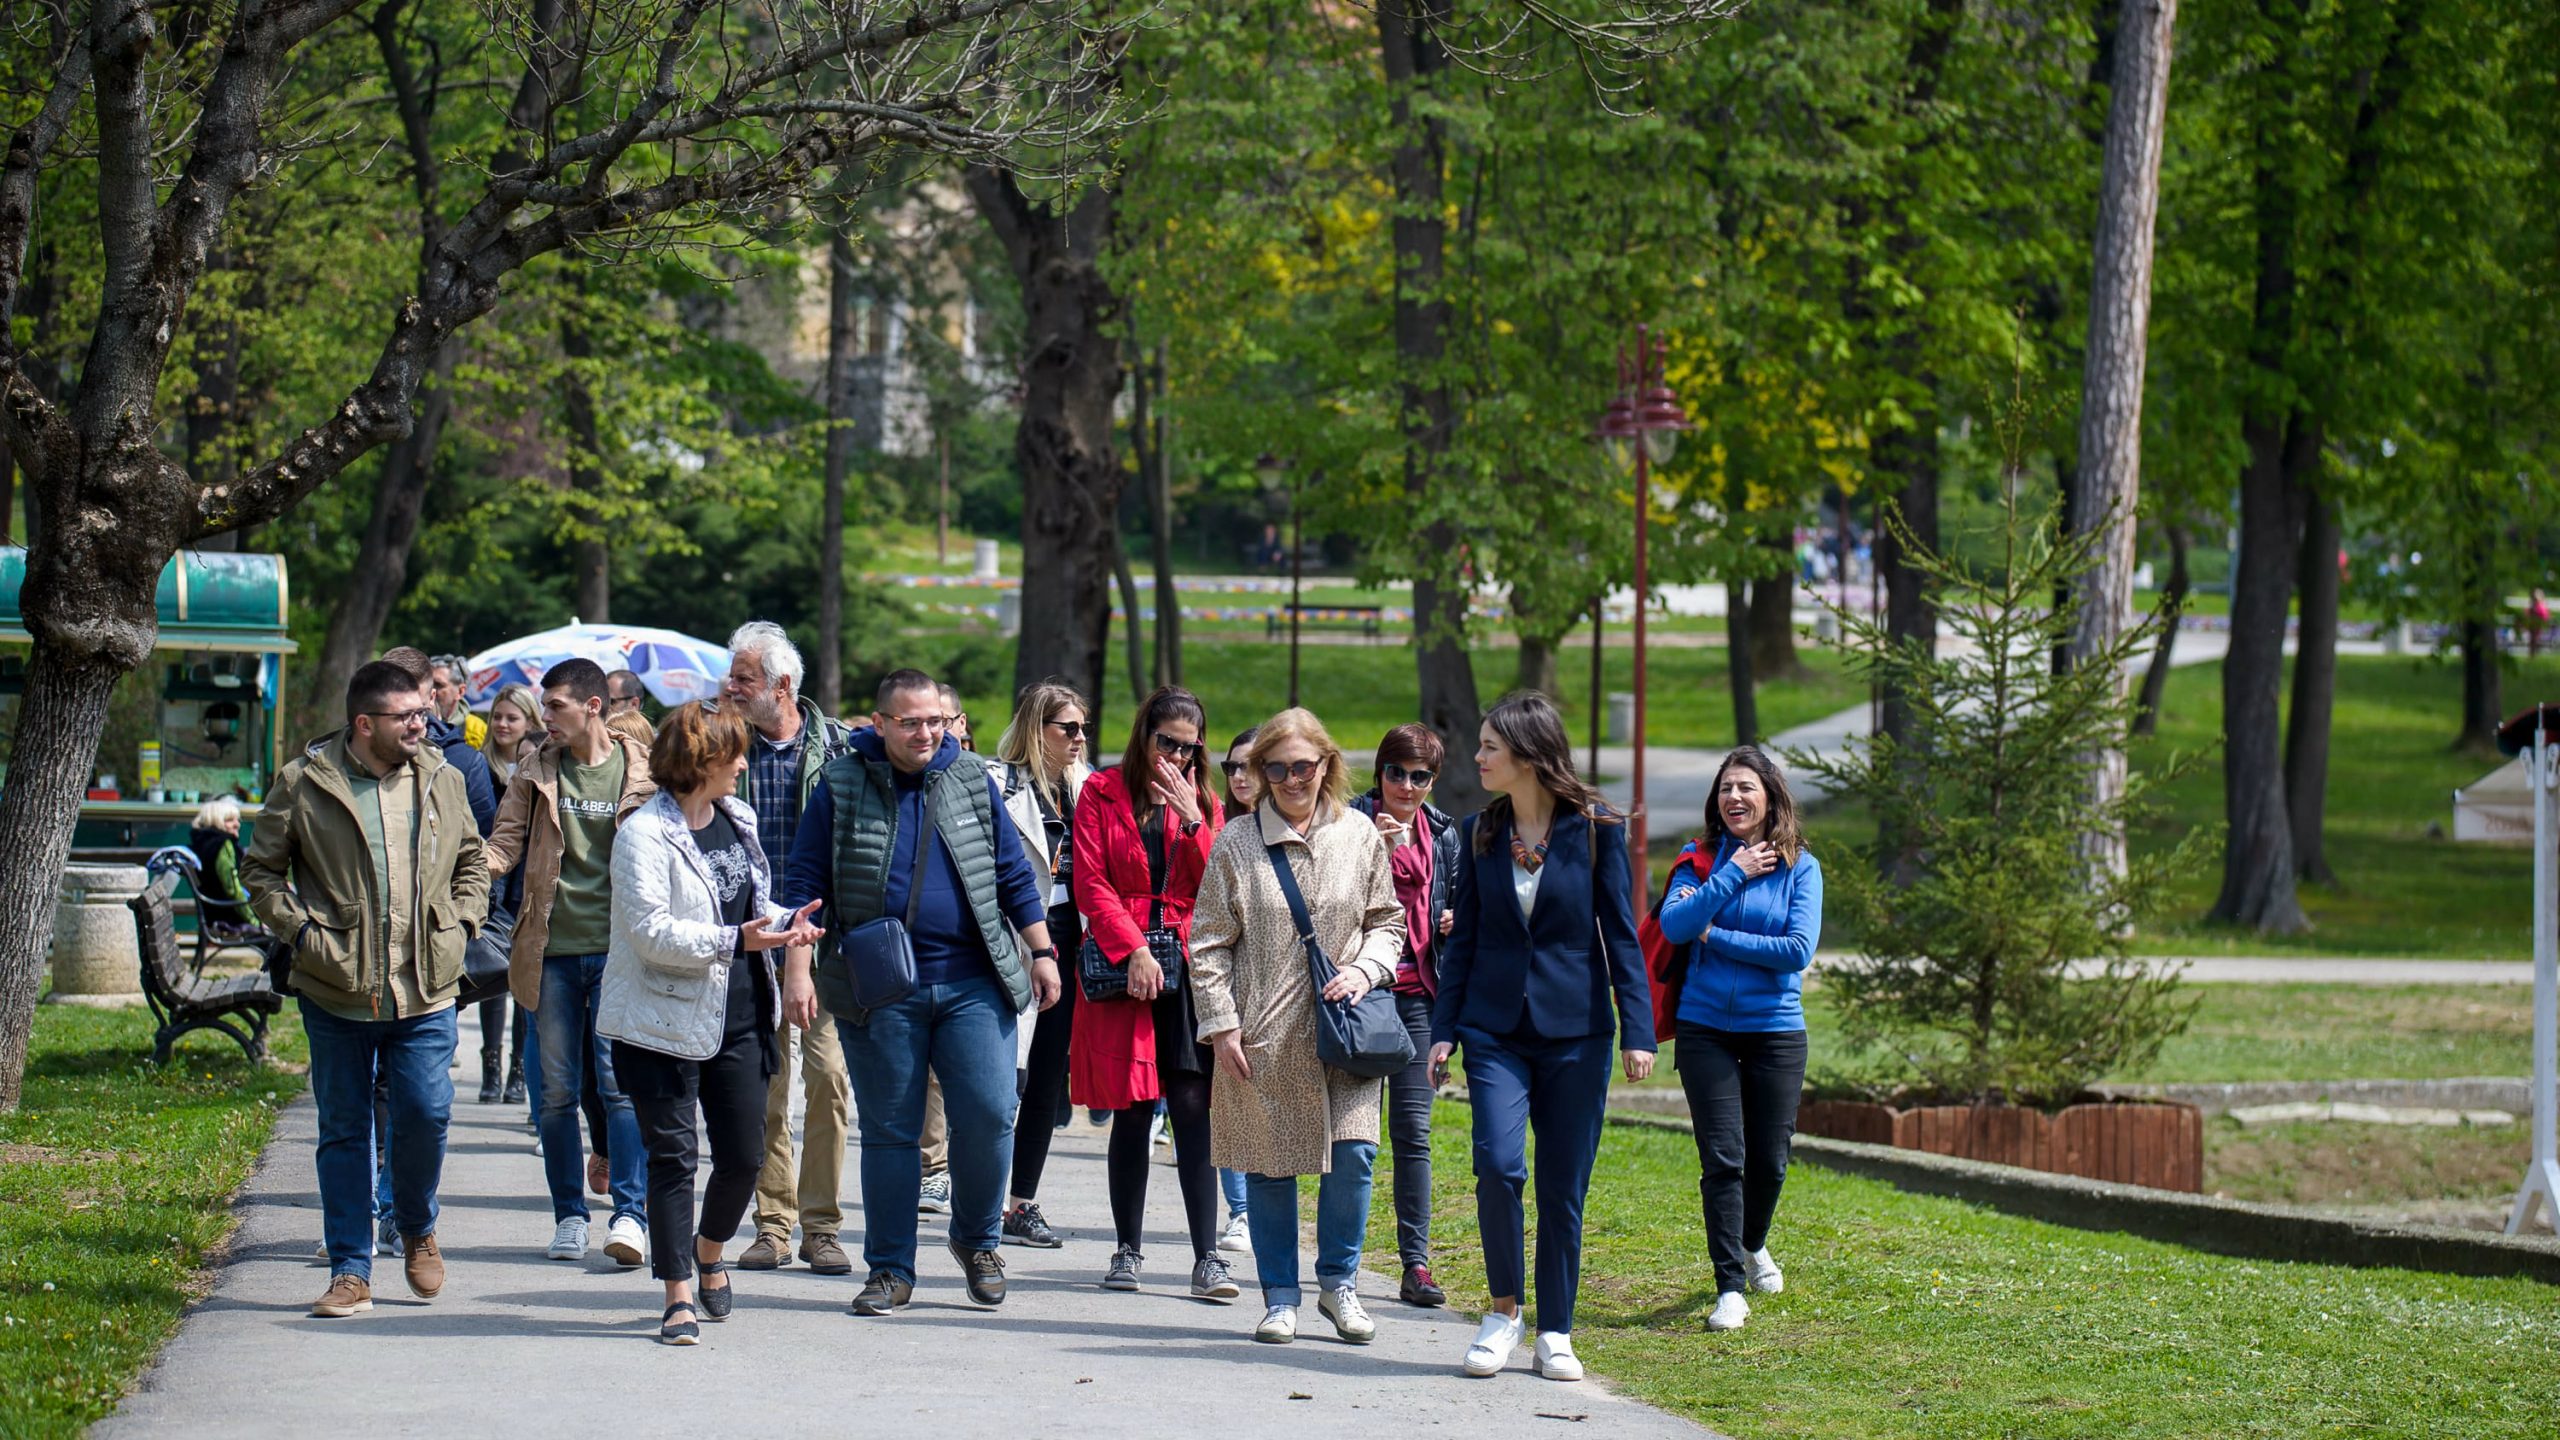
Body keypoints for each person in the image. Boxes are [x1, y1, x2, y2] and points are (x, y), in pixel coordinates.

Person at [779, 669, 1061, 1316]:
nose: (926, 733)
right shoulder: (841, 785)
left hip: (973, 981)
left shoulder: (969, 779)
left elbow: (1012, 872)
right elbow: (804, 880)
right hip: (880, 988)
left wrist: (1041, 950)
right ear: (879, 725)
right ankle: (889, 1269)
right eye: (911, 722)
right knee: (890, 1132)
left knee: (990, 1115)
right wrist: (798, 968)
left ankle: (977, 1241)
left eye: (935, 720)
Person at [243, 660, 489, 1318]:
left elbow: (473, 859)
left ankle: (417, 1228)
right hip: (335, 989)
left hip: (427, 986)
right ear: (364, 724)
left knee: (426, 1113)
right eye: (407, 716)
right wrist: (302, 936)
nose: (423, 723)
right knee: (345, 1131)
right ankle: (351, 1270)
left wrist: (463, 923)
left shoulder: (442, 776)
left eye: (424, 712)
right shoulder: (304, 783)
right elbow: (260, 870)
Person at [1430, 691, 1655, 1382]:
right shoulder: (1479, 832)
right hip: (1495, 1030)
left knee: (1563, 1185)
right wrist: (1444, 1032)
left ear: (1528, 755)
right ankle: (1503, 1313)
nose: (1478, 757)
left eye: (1491, 747)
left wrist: (1637, 1030)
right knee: (1498, 1165)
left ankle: (1556, 1329)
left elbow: (1621, 933)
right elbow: (1464, 938)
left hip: (1578, 1033)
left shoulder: (1596, 829)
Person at [599, 702, 826, 1344]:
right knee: (673, 1158)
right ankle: (676, 1296)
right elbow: (648, 933)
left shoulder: (738, 816)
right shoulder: (642, 834)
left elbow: (749, 907)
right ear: (702, 761)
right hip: (660, 1023)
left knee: (745, 1158)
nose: (745, 764)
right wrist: (738, 940)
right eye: (735, 754)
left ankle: (708, 1250)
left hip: (744, 1013)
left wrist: (787, 923)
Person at [1188, 708, 1404, 1346]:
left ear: (1326, 765)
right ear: (1259, 773)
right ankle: (1280, 1296)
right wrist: (1222, 1024)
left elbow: (1387, 922)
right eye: (1275, 768)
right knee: (1269, 1167)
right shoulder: (1236, 842)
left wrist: (1367, 971)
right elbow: (1206, 944)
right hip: (1262, 1034)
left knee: (1356, 1157)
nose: (1290, 779)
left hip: (1347, 1031)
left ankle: (1339, 1285)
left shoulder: (1359, 834)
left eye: (1302, 766)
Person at [487, 657, 658, 1266]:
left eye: (554, 706)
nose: (544, 716)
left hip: (620, 955)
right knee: (555, 1096)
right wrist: (466, 874)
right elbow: (505, 842)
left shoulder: (644, 771)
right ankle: (568, 1217)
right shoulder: (534, 770)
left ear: (592, 707)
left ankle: (630, 1215)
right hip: (550, 953)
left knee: (621, 1090)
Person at [1071, 686, 1235, 1300]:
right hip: (1127, 963)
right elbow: (1091, 883)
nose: (1178, 758)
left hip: (1189, 962)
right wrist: (1133, 948)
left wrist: (1193, 818)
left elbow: (1220, 884)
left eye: (1191, 750)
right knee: (1134, 1110)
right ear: (1144, 736)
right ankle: (1127, 1249)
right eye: (1168, 743)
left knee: (1194, 1109)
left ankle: (1208, 1257)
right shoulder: (1102, 791)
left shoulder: (1205, 802)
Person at [1656, 744, 1822, 1335]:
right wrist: (1732, 874)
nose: (1734, 798)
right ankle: (1730, 1287)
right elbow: (1675, 926)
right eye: (1726, 788)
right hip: (1705, 1032)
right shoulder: (1698, 862)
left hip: (1776, 1031)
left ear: (1771, 797)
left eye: (1746, 787)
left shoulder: (1802, 866)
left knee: (1770, 1161)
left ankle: (1753, 1244)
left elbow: (1796, 954)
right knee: (1722, 1159)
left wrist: (1716, 937)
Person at [719, 621, 857, 1277]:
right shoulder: (723, 748)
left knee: (827, 1081)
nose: (732, 687)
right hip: (749, 945)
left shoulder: (840, 751)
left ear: (781, 685)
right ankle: (772, 1226)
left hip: (825, 946)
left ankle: (822, 1227)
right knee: (766, 1091)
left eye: (743, 677)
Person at [1348, 723, 1460, 1308]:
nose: (1408, 786)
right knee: (1352, 1138)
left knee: (1412, 1133)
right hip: (1360, 992)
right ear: (1380, 772)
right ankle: (1341, 1265)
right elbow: (1327, 902)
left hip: (1419, 999)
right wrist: (1379, 851)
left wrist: (1452, 920)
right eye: (1398, 773)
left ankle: (1416, 1264)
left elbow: (1462, 904)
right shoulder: (1346, 823)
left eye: (1421, 776)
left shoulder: (1443, 836)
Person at [992, 681, 1094, 1249]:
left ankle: (1020, 1202)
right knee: (1006, 1078)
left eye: (1083, 728)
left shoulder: (1087, 788)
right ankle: (982, 1195)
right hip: (1012, 941)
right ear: (1038, 730)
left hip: (1071, 942)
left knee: (1047, 1079)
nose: (1080, 739)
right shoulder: (998, 784)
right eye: (1068, 728)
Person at [1211, 727, 1261, 1254]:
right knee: (1228, 1096)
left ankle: (1263, 1204)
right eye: (1232, 768)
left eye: (1251, 765)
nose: (1241, 776)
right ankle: (1241, 1211)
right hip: (1225, 978)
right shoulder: (1217, 824)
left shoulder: (1292, 825)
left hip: (1277, 983)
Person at [186, 795, 253, 928]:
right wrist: (254, 921)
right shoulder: (223, 845)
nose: (237, 824)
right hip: (230, 917)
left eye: (237, 820)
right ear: (215, 821)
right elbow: (233, 890)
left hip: (213, 914)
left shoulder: (201, 843)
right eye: (229, 820)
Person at [482, 684, 541, 789]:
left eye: (512, 718)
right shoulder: (480, 765)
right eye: (497, 717)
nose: (502, 724)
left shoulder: (546, 764)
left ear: (530, 723)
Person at [427, 653, 489, 750]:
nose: (430, 691)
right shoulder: (414, 723)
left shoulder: (478, 731)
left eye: (438, 685)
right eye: (427, 684)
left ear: (460, 691)